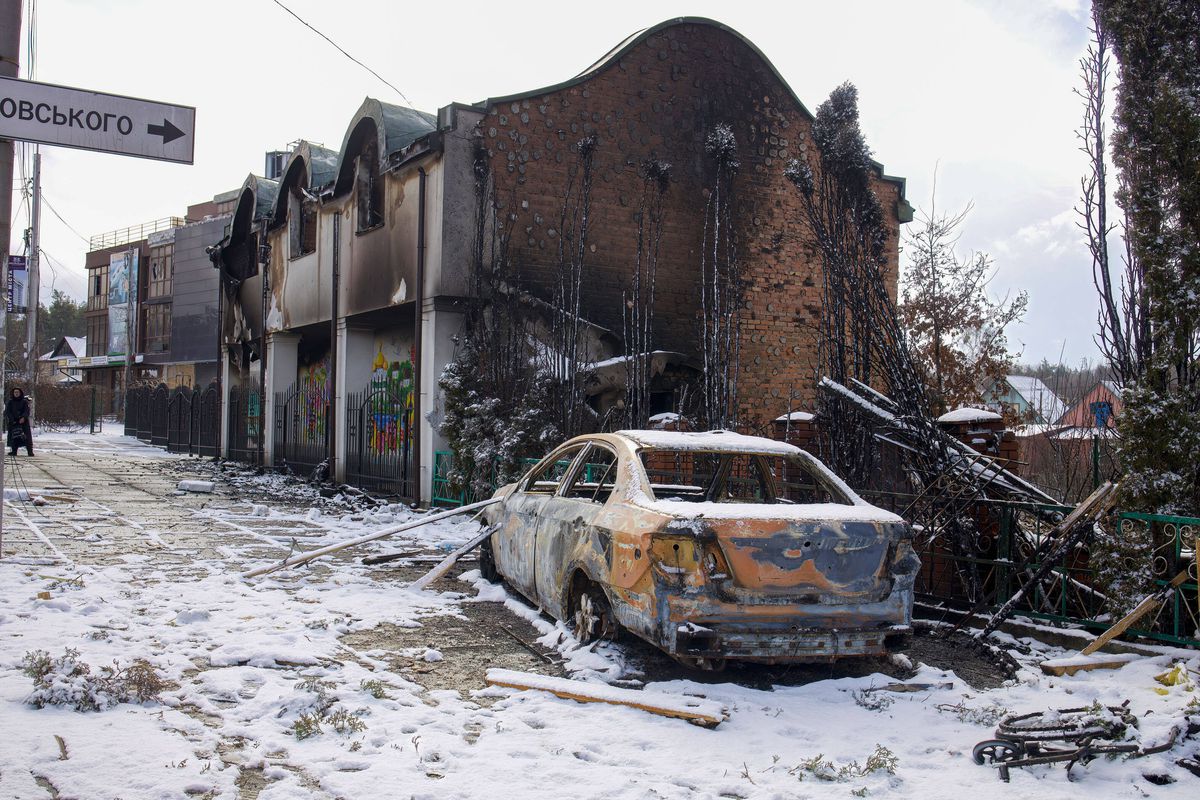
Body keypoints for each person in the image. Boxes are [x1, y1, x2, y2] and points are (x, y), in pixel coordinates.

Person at [4, 387, 33, 457]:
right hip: (14, 422)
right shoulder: (10, 402)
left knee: (26, 437)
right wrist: (12, 419)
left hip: (23, 422)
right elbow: (8, 412)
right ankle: (14, 451)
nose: (16, 394)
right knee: (14, 437)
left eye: (17, 392)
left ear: (20, 393)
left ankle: (30, 451)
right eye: (15, 392)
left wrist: (23, 417)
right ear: (13, 393)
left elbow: (27, 411)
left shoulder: (24, 402)